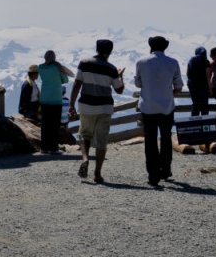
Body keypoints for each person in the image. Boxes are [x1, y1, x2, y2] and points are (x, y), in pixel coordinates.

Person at [68, 39, 125, 184]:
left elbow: (77, 84)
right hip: (105, 108)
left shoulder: (84, 63)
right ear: (110, 51)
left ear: (97, 49)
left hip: (86, 106)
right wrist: (120, 76)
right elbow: (119, 90)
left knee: (85, 134)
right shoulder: (111, 69)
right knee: (101, 141)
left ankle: (85, 159)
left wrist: (71, 104)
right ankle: (97, 174)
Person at [135, 36, 183, 186]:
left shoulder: (141, 62)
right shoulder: (173, 62)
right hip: (166, 106)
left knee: (150, 140)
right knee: (166, 138)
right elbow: (179, 86)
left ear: (151, 46)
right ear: (165, 47)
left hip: (148, 107)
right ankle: (165, 170)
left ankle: (153, 175)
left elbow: (138, 84)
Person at [38, 50, 72, 153]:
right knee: (54, 125)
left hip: (44, 99)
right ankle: (53, 148)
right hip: (56, 99)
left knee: (45, 125)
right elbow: (65, 80)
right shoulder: (57, 67)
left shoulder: (40, 67)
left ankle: (44, 148)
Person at [186, 47, 210, 117]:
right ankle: (205, 124)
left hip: (192, 85)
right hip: (203, 86)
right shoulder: (206, 61)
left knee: (195, 105)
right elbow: (208, 76)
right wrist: (210, 88)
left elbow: (187, 73)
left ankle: (194, 125)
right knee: (204, 106)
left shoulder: (191, 60)